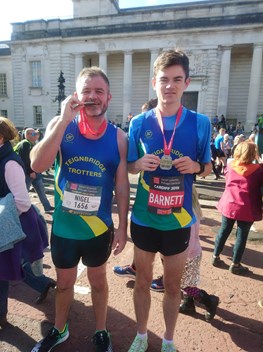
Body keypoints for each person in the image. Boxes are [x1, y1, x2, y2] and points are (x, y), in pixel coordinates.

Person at [30, 66, 129, 352]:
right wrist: (63, 120)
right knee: (64, 284)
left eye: (99, 91)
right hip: (65, 227)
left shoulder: (118, 138)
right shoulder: (61, 125)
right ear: (76, 95)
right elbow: (37, 165)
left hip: (98, 228)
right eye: (87, 91)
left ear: (108, 97)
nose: (92, 96)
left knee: (98, 282)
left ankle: (101, 331)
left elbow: (122, 187)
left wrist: (123, 227)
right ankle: (59, 330)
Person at [127, 49, 212, 352]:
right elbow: (127, 166)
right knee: (141, 281)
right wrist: (138, 165)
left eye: (177, 79)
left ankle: (168, 339)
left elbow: (209, 166)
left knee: (173, 286)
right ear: (154, 83)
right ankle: (140, 335)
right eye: (164, 79)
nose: (169, 86)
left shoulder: (201, 123)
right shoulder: (138, 122)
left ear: (186, 82)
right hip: (144, 218)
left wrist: (196, 167)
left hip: (178, 220)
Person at [0, 117, 54, 328]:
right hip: (9, 223)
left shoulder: (10, 162)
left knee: (6, 270)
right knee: (13, 267)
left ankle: (1, 317)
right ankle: (44, 284)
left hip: (15, 224)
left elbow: (22, 202)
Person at [212, 141, 263, 274]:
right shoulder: (258, 170)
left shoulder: (230, 166)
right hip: (247, 207)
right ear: (253, 154)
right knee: (241, 235)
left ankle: (215, 256)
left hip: (229, 204)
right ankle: (235, 264)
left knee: (224, 230)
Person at [14, 128, 54, 213]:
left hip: (35, 172)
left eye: (36, 133)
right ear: (27, 135)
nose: (36, 135)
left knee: (41, 190)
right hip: (29, 173)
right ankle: (20, 210)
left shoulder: (31, 143)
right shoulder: (25, 144)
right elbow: (25, 160)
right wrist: (30, 171)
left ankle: (47, 206)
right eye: (33, 134)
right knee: (24, 192)